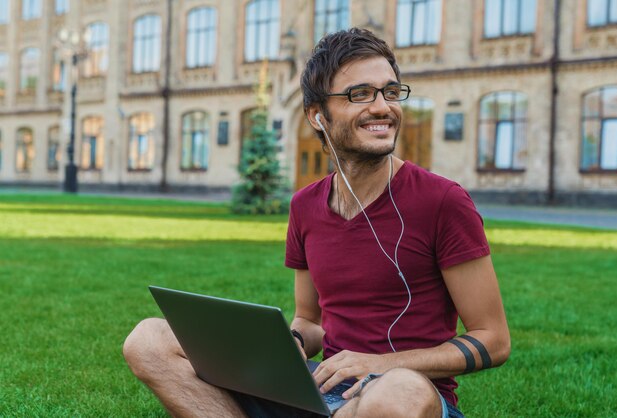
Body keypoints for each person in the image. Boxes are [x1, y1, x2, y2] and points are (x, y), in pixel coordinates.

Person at [123, 28, 510, 418]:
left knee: (397, 393)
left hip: (405, 395)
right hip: (322, 388)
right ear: (318, 116)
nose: (382, 107)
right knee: (148, 339)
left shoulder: (443, 200)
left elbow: (493, 341)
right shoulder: (305, 205)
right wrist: (290, 343)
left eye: (390, 92)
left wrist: (381, 365)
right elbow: (310, 320)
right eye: (360, 94)